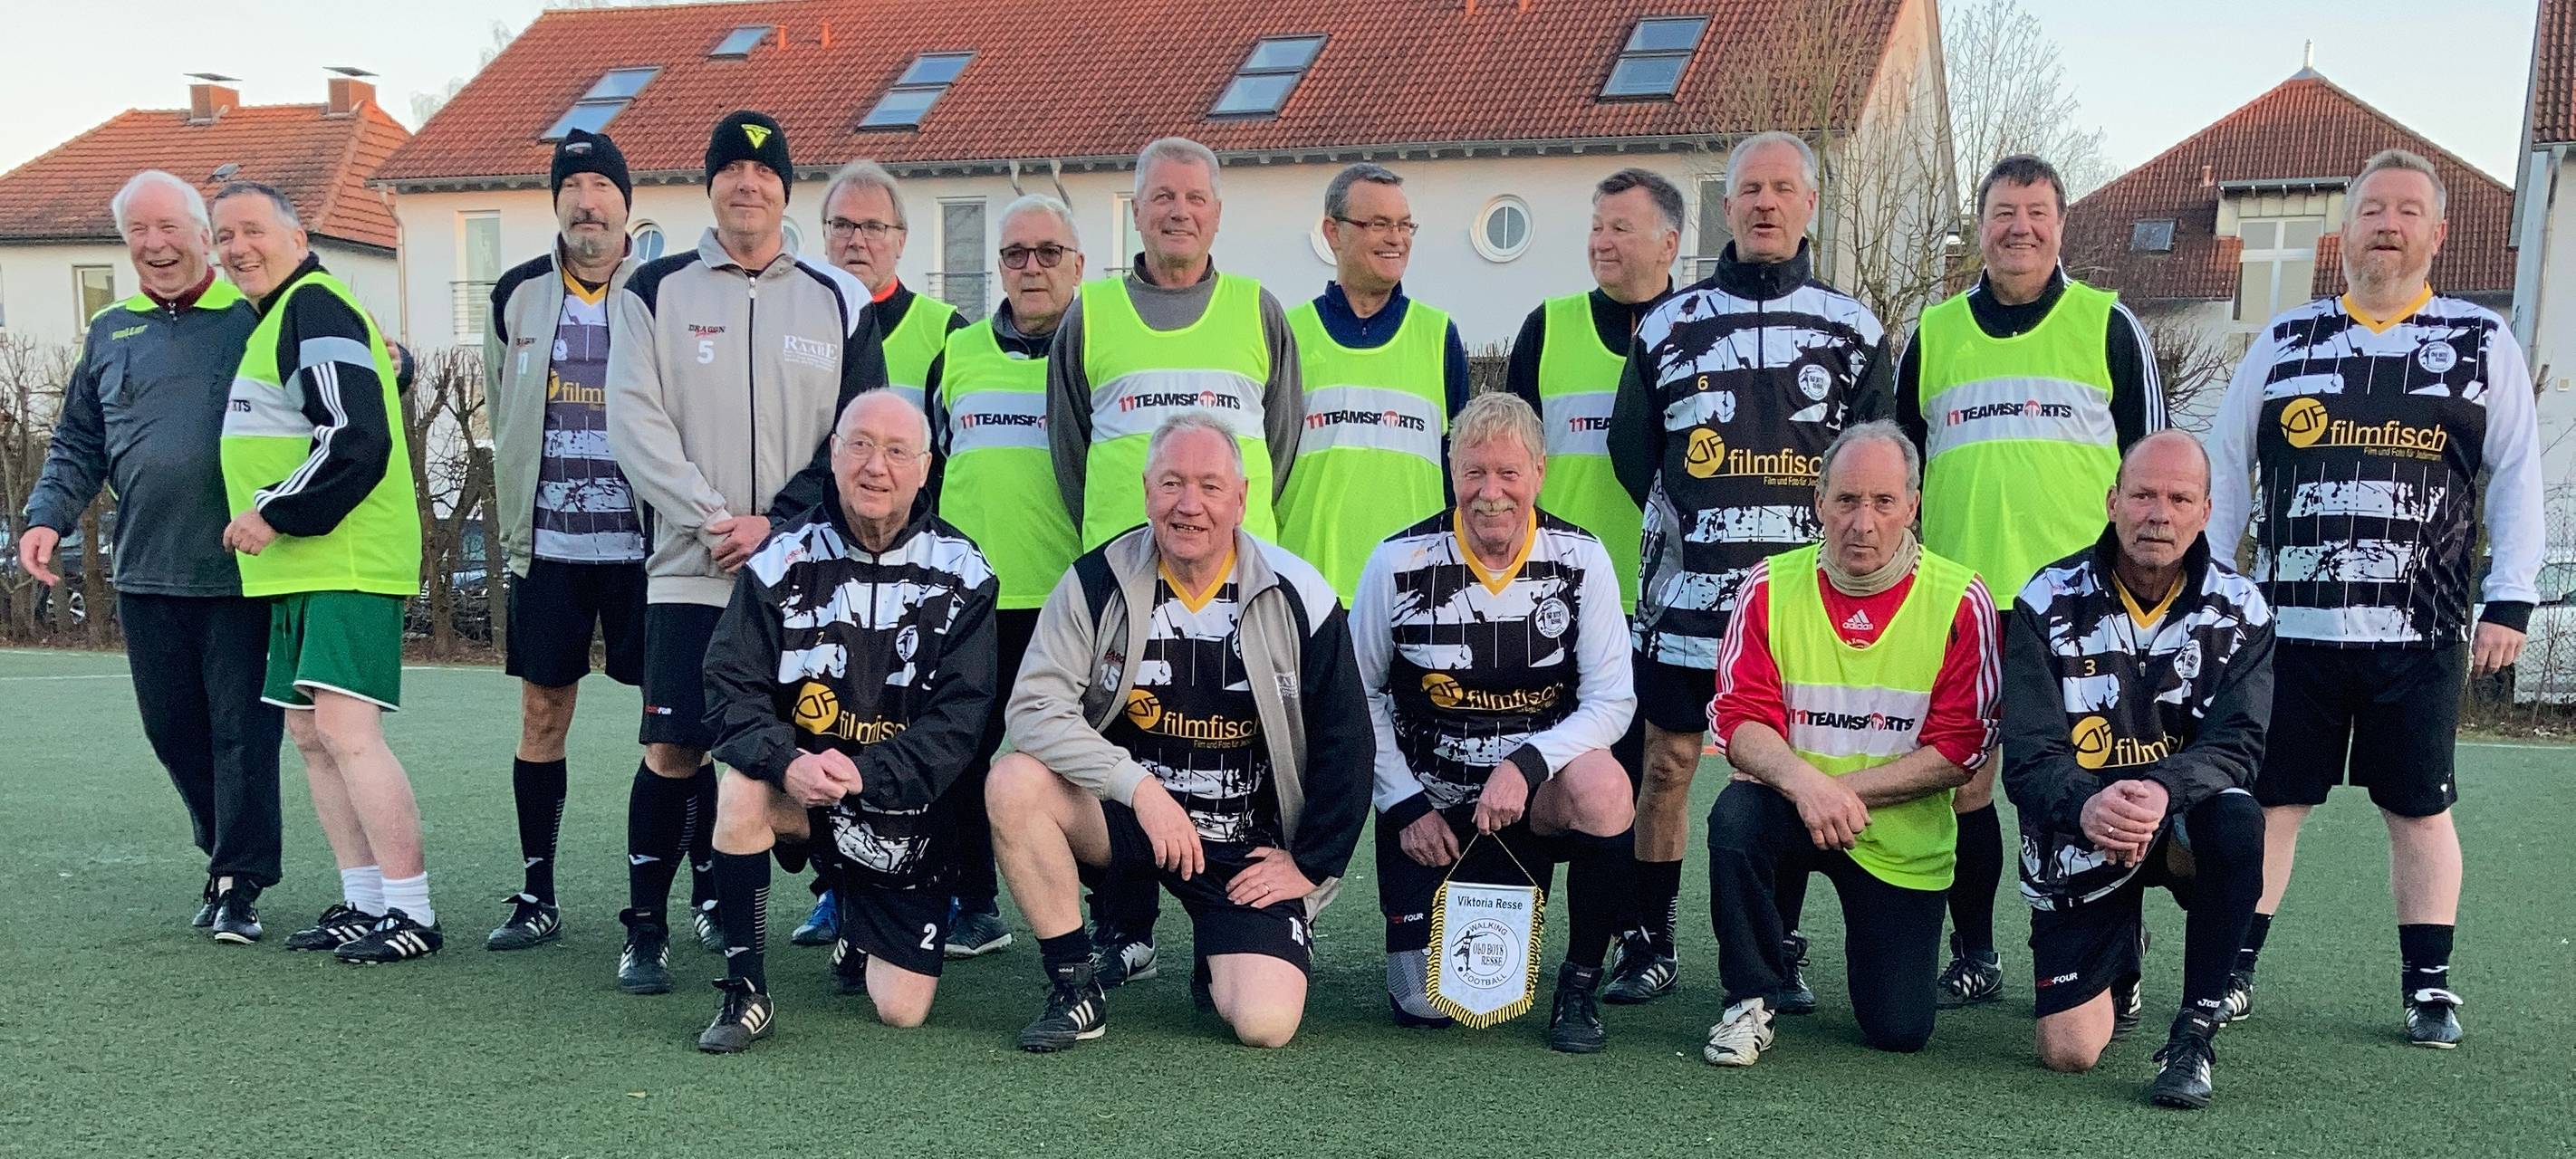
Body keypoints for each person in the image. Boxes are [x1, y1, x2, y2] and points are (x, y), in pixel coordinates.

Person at [2206, 148, 2545, 1049]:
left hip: (2420, 631)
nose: (2386, 225)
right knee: (2272, 803)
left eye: (2406, 211)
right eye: (2371, 210)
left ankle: (2429, 988)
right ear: (2344, 232)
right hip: (2290, 633)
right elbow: (2224, 475)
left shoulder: (2481, 345)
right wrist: (2208, 592)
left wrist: (2509, 597)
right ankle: (2231, 969)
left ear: (2437, 234)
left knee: (2420, 809)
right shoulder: (2283, 345)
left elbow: (2517, 478)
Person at [1601, 133, 1891, 1006]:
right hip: (1690, 599)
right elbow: (1632, 453)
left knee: (1785, 771)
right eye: (1749, 191)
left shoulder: (1853, 325)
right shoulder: (1667, 322)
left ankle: (1779, 944)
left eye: (1783, 189)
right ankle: (1650, 941)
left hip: (1803, 607)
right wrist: (1700, 526)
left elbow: (1880, 459)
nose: (1766, 204)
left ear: (1810, 206)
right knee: (1667, 765)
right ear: (1726, 210)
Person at [605, 110, 889, 995]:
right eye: (731, 169)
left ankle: (849, 919)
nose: (748, 185)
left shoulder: (837, 297)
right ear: (711, 186)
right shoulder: (653, 290)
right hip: (691, 570)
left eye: (765, 175)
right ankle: (644, 929)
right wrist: (712, 516)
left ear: (785, 191)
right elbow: (633, 421)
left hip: (806, 579)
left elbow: (861, 434)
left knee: (820, 752)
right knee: (674, 751)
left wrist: (780, 526)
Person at [987, 413, 1370, 1050]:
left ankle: (1216, 955)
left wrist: (1311, 865)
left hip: (1239, 845)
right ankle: (1076, 985)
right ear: (1145, 491)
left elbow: (1348, 743)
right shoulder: (1095, 582)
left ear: (1242, 500)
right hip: (1131, 820)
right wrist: (1137, 787)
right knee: (1014, 783)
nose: (1189, 506)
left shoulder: (1300, 592)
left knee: (1264, 1025)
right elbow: (1031, 708)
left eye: (1210, 487)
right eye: (1171, 484)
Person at [1893, 153, 2166, 1010]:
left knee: (2088, 779)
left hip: (2082, 608)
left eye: (2037, 212)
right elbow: (1900, 471)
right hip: (1962, 603)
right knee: (1966, 781)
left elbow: (2152, 471)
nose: (2021, 227)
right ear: (1980, 227)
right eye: (2004, 212)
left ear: (2061, 223)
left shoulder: (2109, 324)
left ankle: (2108, 950)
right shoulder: (1932, 334)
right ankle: (1975, 953)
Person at [1043, 137, 1305, 982]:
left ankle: (1238, 917)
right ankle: (1125, 926)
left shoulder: (1260, 311)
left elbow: (1283, 438)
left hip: (1231, 580)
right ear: (1139, 209)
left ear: (1217, 213)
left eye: (1195, 198)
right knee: (1119, 739)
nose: (1179, 212)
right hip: (1123, 583)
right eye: (1162, 198)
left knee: (1241, 740)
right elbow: (1069, 444)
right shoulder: (1091, 314)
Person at [18, 170, 282, 943]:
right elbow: (78, 442)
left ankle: (240, 880)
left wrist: (392, 360)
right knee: (171, 730)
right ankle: (221, 852)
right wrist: (45, 517)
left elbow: (344, 366)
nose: (156, 245)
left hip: (243, 571)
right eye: (139, 231)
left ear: (205, 235)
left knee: (242, 732)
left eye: (170, 228)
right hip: (146, 569)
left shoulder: (255, 313)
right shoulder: (110, 330)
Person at [692, 392, 998, 1051]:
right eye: (859, 445)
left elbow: (961, 723)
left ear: (925, 468)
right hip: (804, 793)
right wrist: (787, 762)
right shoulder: (780, 559)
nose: (875, 467)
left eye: (896, 451)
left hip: (903, 813)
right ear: (833, 457)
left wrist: (864, 774)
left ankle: (862, 923)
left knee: (901, 1011)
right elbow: (728, 686)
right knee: (741, 787)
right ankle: (745, 992)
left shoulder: (965, 571)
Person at [1697, 421, 1999, 1067]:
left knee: (1899, 1031)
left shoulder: (1961, 599)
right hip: (1791, 811)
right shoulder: (1770, 585)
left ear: (1913, 505)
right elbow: (1739, 723)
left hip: (1897, 839)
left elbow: (1961, 751)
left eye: (1884, 502)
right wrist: (1807, 788)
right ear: (1819, 503)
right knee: (1736, 815)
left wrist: (1837, 793)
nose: (1863, 523)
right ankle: (1750, 997)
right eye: (1847, 501)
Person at [1351, 392, 1638, 1052]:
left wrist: (1527, 764)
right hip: (1433, 812)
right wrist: (1402, 806)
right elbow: (1359, 698)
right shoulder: (1396, 563)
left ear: (1539, 471)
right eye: (1474, 473)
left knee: (1606, 789)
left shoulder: (1580, 559)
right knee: (1426, 1005)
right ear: (1450, 473)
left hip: (1529, 806)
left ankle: (1580, 985)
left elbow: (1612, 703)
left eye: (1509, 473)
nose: (1491, 493)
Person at [2003, 431, 2273, 1109]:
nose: (2160, 513)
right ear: (2113, 501)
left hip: (2178, 824)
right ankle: (2120, 947)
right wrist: (2088, 806)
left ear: (2206, 511)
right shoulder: (2044, 600)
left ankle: (2194, 1032)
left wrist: (2160, 789)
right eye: (2144, 494)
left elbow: (2238, 744)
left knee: (2238, 821)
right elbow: (2029, 756)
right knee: (2069, 1052)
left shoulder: (2242, 609)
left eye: (2179, 498)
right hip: (2081, 826)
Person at [212, 180, 437, 963]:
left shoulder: (314, 305)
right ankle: (363, 900)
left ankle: (412, 912)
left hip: (342, 555)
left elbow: (355, 439)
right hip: (296, 566)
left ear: (297, 235)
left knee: (345, 730)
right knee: (309, 733)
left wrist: (273, 511)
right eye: (224, 237)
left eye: (251, 230)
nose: (236, 247)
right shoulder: (278, 316)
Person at [481, 129, 651, 951]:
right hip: (547, 547)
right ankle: (537, 890)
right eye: (573, 186)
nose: (588, 201)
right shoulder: (515, 294)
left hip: (651, 551)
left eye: (603, 187)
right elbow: (502, 413)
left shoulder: (663, 290)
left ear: (629, 203)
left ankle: (683, 898)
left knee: (674, 725)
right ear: (556, 203)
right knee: (542, 712)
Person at [792, 158, 967, 949]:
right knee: (822, 724)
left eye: (873, 227)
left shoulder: (945, 329)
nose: (857, 240)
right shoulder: (804, 312)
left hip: (914, 572)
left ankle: (949, 887)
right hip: (820, 561)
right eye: (842, 226)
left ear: (900, 240)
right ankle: (835, 890)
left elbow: (953, 454)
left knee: (913, 729)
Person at [918, 194, 1088, 959]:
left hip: (1070, 603)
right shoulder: (957, 355)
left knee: (1079, 764)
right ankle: (974, 904)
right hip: (971, 602)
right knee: (958, 757)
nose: (1032, 267)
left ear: (1079, 265)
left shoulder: (1096, 353)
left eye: (1049, 252)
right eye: (1016, 254)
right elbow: (931, 473)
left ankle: (1112, 923)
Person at [1274, 162, 1471, 600]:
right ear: (1332, 232)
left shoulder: (1438, 336)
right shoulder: (1289, 334)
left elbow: (1461, 474)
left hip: (1417, 592)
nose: (1396, 238)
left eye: (1405, 225)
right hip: (1308, 592)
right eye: (1379, 224)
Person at [1504, 168, 1682, 616]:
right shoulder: (1546, 328)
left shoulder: (1700, 334)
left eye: (1620, 229)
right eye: (1597, 227)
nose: (1601, 242)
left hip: (1671, 593)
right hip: (1557, 589)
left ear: (1669, 245)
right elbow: (1508, 465)